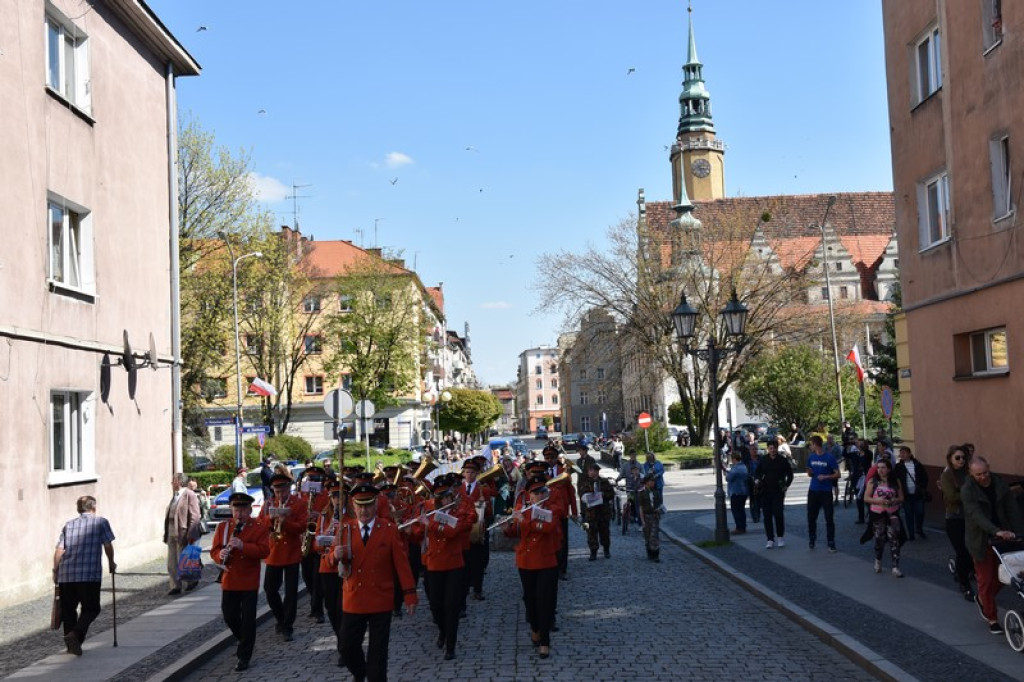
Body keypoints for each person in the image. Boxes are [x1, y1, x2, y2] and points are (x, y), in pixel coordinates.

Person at [336, 484, 417, 681]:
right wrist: (334, 556)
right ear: (354, 506)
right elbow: (330, 556)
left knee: (378, 654)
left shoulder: (388, 529)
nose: (364, 511)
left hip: (380, 598)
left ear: (376, 505)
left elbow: (402, 564)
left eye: (368, 506)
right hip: (354, 598)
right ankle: (360, 672)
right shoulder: (345, 529)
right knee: (346, 647)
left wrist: (409, 593)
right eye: (360, 506)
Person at [412, 474, 473, 661]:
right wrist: (417, 526)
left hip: (454, 564)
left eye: (447, 496)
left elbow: (453, 531)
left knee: (451, 606)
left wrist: (431, 525)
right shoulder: (427, 510)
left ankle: (451, 646)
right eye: (441, 498)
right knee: (436, 605)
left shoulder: (459, 512)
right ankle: (442, 631)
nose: (445, 500)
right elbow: (415, 535)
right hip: (433, 564)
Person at [961, 456, 1024, 635]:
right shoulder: (968, 490)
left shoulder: (999, 483)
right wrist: (995, 531)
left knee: (1008, 576)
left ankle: (982, 598)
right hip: (981, 539)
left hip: (1005, 536)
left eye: (985, 472)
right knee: (986, 580)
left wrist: (1018, 533)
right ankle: (992, 618)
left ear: (989, 468)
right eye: (978, 474)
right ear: (971, 474)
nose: (983, 477)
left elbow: (1012, 509)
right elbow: (976, 515)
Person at [211, 492, 270, 671]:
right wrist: (219, 555)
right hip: (229, 578)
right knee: (229, 615)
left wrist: (243, 546)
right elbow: (214, 550)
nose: (239, 514)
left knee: (248, 620)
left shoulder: (259, 527)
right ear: (231, 510)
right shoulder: (224, 527)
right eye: (236, 510)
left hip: (248, 580)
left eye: (243, 510)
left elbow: (264, 551)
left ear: (250, 510)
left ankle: (244, 656)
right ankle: (244, 639)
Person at [53, 496, 116, 656]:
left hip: (67, 574)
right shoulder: (101, 522)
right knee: (91, 608)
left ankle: (71, 646)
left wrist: (56, 570)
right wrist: (111, 562)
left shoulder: (69, 525)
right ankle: (75, 635)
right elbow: (107, 544)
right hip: (89, 574)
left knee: (69, 610)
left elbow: (60, 550)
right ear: (94, 508)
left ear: (78, 509)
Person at [505, 476, 560, 659]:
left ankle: (545, 641)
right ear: (529, 495)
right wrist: (508, 525)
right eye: (535, 493)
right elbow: (515, 532)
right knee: (529, 599)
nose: (538, 496)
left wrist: (523, 521)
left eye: (541, 492)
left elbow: (547, 527)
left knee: (544, 600)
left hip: (545, 561)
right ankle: (535, 628)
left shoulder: (552, 509)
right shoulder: (524, 510)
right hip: (526, 560)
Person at [264, 472, 308, 641]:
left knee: (291, 592)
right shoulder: (269, 503)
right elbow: (261, 523)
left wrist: (285, 522)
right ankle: (281, 617)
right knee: (269, 589)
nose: (280, 494)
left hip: (291, 552)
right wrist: (271, 518)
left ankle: (287, 626)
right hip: (274, 552)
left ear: (288, 489)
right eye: (277, 491)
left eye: (282, 491)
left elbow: (302, 526)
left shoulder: (299, 503)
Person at [940, 445, 975, 600]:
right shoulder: (947, 475)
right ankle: (964, 584)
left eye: (963, 457)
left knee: (972, 552)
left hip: (972, 518)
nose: (961, 460)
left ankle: (962, 573)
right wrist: (970, 494)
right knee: (963, 552)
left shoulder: (970, 472)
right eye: (957, 457)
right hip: (955, 518)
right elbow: (951, 496)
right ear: (950, 458)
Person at [864, 457, 904, 577]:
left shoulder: (896, 481)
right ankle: (878, 560)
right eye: (878, 468)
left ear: (889, 469)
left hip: (892, 513)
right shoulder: (873, 481)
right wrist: (878, 500)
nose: (880, 470)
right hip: (877, 514)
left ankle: (895, 567)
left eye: (883, 468)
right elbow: (866, 498)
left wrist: (894, 499)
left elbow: (902, 498)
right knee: (879, 539)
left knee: (895, 539)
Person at [542, 446, 577, 580]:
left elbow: (571, 493)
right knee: (549, 540)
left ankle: (562, 569)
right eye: (547, 458)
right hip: (546, 511)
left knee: (562, 541)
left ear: (556, 458)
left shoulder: (563, 471)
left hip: (562, 512)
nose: (550, 460)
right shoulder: (541, 472)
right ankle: (550, 567)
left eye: (552, 457)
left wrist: (574, 511)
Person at [164, 472, 201, 595]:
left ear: (179, 482)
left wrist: (191, 534)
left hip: (183, 531)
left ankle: (192, 580)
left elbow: (195, 515)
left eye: (173, 480)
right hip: (171, 530)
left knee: (184, 559)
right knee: (171, 561)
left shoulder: (189, 495)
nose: (171, 483)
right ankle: (175, 586)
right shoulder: (175, 496)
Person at [756, 441, 793, 549]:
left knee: (778, 514)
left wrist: (786, 485)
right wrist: (757, 480)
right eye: (770, 448)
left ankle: (780, 537)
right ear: (768, 449)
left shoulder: (782, 460)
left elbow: (790, 474)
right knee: (767, 516)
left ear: (777, 448)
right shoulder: (763, 459)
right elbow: (757, 472)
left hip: (778, 491)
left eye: (774, 448)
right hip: (765, 491)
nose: (772, 450)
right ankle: (770, 539)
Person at [806, 435, 840, 552]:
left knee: (829, 517)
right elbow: (809, 473)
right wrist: (810, 472)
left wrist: (826, 476)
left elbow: (837, 474)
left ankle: (831, 541)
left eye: (811, 444)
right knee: (811, 516)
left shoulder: (829, 457)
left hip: (825, 491)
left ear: (815, 444)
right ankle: (812, 538)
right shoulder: (811, 457)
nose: (810, 446)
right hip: (813, 490)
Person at [577, 461, 614, 559]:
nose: (589, 472)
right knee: (591, 533)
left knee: (605, 532)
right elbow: (581, 494)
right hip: (591, 512)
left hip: (603, 511)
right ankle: (593, 552)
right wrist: (586, 496)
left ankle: (606, 550)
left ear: (597, 471)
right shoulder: (586, 482)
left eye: (591, 470)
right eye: (589, 470)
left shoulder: (604, 482)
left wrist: (603, 495)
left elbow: (611, 494)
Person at [894, 446, 929, 541]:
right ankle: (911, 534)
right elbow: (895, 480)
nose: (902, 455)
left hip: (917, 494)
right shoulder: (899, 466)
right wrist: (899, 492)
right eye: (901, 453)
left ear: (909, 454)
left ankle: (919, 529)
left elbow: (925, 477)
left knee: (920, 512)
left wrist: (922, 487)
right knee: (908, 514)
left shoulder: (917, 464)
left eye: (904, 453)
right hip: (906, 495)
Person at [638, 473, 664, 562]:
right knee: (647, 536)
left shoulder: (656, 492)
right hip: (646, 516)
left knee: (654, 535)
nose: (653, 482)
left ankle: (656, 554)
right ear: (647, 482)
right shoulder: (642, 492)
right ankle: (649, 552)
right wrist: (642, 520)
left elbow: (660, 504)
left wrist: (659, 510)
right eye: (651, 481)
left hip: (654, 516)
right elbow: (641, 507)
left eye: (654, 481)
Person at [726, 452, 749, 534]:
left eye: (732, 459)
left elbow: (728, 478)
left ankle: (739, 528)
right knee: (741, 510)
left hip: (736, 492)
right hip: (743, 491)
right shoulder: (743, 466)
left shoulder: (736, 468)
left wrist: (726, 472)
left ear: (734, 459)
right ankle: (743, 527)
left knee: (736, 510)